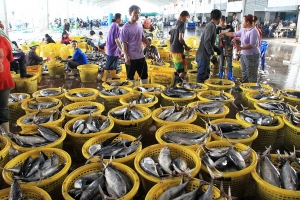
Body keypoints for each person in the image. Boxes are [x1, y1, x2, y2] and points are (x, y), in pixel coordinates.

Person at [219, 14, 260, 83]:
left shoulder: (254, 31)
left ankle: (252, 90)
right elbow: (234, 34)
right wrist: (224, 33)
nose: (241, 22)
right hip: (244, 54)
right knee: (244, 72)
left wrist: (241, 48)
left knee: (251, 74)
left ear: (247, 22)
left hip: (252, 56)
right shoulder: (244, 29)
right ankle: (244, 87)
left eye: (243, 21)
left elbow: (252, 45)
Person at [120, 5, 150, 86]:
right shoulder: (125, 27)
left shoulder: (140, 24)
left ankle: (145, 93)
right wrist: (126, 56)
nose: (137, 15)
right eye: (135, 13)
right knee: (130, 77)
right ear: (130, 13)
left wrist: (147, 42)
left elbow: (142, 37)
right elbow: (124, 43)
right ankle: (132, 94)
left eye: (139, 13)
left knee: (144, 76)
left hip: (140, 56)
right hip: (131, 57)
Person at [196, 9, 222, 83]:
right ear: (219, 18)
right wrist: (212, 55)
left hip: (204, 57)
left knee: (205, 77)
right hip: (203, 57)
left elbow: (209, 42)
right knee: (201, 79)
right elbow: (206, 42)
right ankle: (198, 92)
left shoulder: (212, 26)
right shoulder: (210, 26)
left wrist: (216, 48)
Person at [169, 10, 191, 80]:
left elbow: (170, 39)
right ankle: (175, 84)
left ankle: (178, 83)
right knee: (183, 71)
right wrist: (186, 46)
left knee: (178, 69)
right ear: (184, 16)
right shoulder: (182, 24)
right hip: (178, 50)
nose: (187, 20)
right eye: (187, 18)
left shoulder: (173, 24)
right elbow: (180, 38)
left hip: (173, 50)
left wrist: (170, 50)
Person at [103, 13, 123, 82]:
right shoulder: (115, 26)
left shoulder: (113, 25)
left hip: (113, 47)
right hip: (112, 47)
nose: (121, 19)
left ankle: (113, 74)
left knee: (115, 60)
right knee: (110, 61)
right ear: (117, 18)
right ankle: (104, 76)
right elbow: (116, 39)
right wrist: (121, 49)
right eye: (121, 18)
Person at [0, 36, 14, 134]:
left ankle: (6, 133)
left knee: (3, 107)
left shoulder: (3, 40)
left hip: (3, 81)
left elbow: (9, 58)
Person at [216, 15, 235, 81]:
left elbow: (233, 36)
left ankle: (230, 76)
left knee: (229, 62)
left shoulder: (230, 27)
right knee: (221, 62)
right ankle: (221, 75)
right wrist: (218, 40)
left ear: (224, 21)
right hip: (220, 47)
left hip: (229, 47)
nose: (220, 23)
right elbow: (215, 38)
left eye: (221, 21)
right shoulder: (218, 28)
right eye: (220, 21)